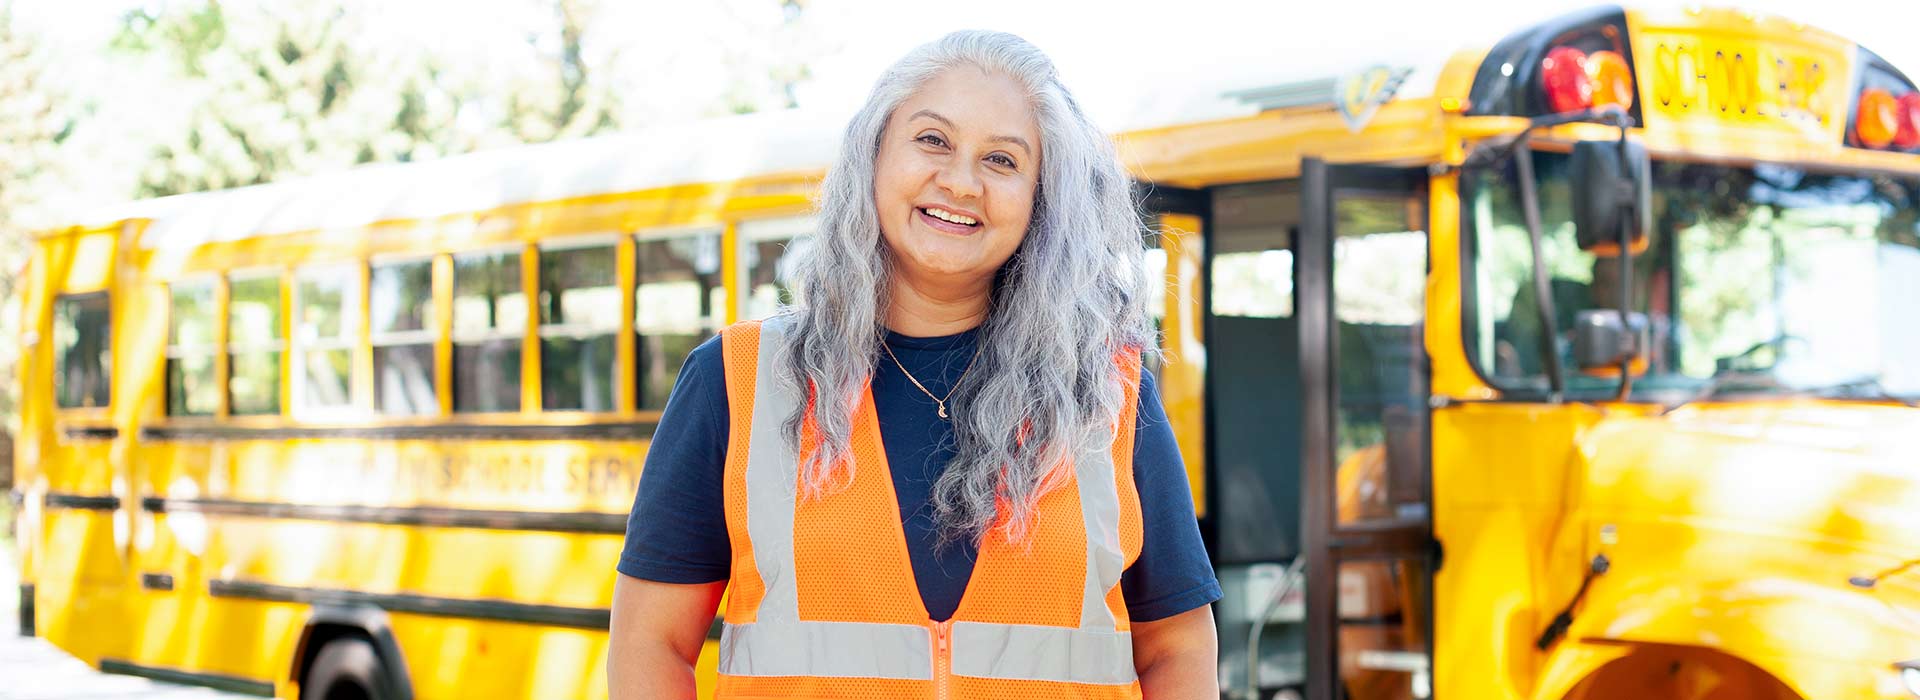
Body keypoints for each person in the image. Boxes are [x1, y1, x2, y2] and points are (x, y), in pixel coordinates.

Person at [608, 30, 1221, 700]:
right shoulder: (737, 380)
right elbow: (650, 645)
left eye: (1002, 160)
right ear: (872, 157)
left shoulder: (1108, 390)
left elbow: (1177, 647)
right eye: (932, 140)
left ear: (1043, 200)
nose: (961, 182)